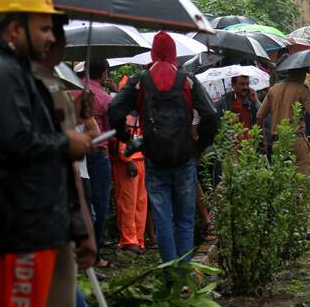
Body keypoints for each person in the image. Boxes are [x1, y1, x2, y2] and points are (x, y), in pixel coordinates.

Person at [0, 0, 95, 307]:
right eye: (44, 27)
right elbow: (16, 144)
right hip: (22, 228)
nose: (53, 37)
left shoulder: (10, 72)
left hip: (36, 221)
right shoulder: (0, 75)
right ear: (15, 28)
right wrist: (66, 143)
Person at [109, 31, 218, 265]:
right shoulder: (187, 80)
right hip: (184, 157)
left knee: (162, 219)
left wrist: (127, 138)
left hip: (154, 159)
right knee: (185, 220)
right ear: (174, 53)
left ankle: (170, 277)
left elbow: (115, 110)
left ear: (153, 52)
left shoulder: (140, 81)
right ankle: (185, 274)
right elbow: (210, 115)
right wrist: (199, 147)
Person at [256, 67, 310, 174]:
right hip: (296, 141)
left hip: (278, 142)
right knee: (306, 184)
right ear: (301, 74)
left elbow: (259, 116)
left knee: (285, 184)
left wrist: (262, 140)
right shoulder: (302, 90)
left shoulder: (273, 90)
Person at [82, 58, 114, 268]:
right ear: (103, 74)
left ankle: (83, 251)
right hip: (98, 153)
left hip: (77, 155)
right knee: (100, 204)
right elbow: (110, 133)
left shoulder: (72, 92)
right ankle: (96, 253)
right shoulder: (104, 98)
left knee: (84, 204)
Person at [110, 111, 147, 254]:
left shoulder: (139, 114)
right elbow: (117, 140)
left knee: (140, 203)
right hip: (126, 163)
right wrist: (127, 160)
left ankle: (138, 240)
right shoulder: (123, 114)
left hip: (140, 161)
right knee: (127, 203)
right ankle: (128, 241)